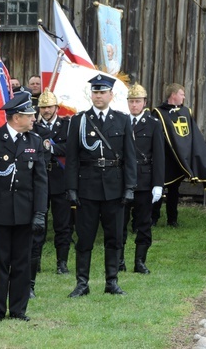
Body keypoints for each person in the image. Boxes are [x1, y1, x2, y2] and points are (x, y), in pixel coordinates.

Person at [0, 92, 48, 322]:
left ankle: (18, 309)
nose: (34, 118)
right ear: (16, 118)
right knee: (0, 261)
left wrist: (40, 213)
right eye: (29, 115)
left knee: (23, 263)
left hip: (25, 213)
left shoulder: (34, 141)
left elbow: (41, 181)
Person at [65, 74, 137, 297]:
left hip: (114, 188)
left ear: (111, 95)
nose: (98, 96)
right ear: (91, 95)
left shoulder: (122, 120)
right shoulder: (79, 120)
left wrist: (129, 187)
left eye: (102, 92)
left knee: (114, 237)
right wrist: (71, 188)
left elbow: (129, 157)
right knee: (84, 238)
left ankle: (112, 282)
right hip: (87, 187)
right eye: (95, 92)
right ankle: (82, 283)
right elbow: (72, 158)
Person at [152, 83, 206, 226]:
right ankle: (153, 218)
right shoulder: (158, 112)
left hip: (179, 159)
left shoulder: (186, 112)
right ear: (173, 95)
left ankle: (172, 220)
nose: (184, 97)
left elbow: (191, 135)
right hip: (165, 158)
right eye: (182, 94)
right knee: (158, 189)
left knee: (174, 191)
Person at [30, 90, 72, 298]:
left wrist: (52, 148)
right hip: (40, 182)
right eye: (43, 107)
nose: (46, 111)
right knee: (38, 224)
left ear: (56, 108)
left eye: (49, 107)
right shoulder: (34, 127)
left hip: (60, 181)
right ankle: (35, 262)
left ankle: (61, 263)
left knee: (63, 224)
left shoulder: (66, 125)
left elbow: (71, 148)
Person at [121, 83, 165, 274]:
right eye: (131, 101)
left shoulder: (153, 124)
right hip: (123, 180)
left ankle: (140, 261)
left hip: (144, 180)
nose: (134, 105)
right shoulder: (121, 121)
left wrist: (158, 184)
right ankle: (118, 260)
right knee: (119, 223)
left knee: (143, 223)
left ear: (144, 102)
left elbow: (159, 156)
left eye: (137, 101)